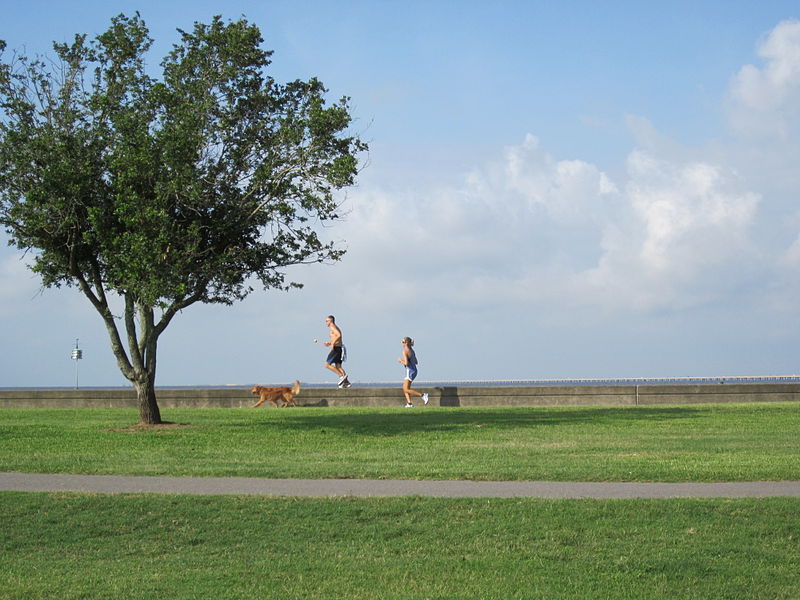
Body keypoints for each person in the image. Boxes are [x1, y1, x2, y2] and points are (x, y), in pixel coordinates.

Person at [318, 315, 350, 388]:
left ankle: (341, 376)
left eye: (327, 321)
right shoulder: (334, 327)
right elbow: (336, 338)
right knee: (338, 366)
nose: (325, 322)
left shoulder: (332, 327)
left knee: (327, 365)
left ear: (330, 321)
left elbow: (339, 335)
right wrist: (329, 343)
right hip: (339, 348)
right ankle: (346, 383)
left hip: (336, 349)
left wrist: (332, 344)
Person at [398, 336, 429, 407]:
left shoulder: (405, 351)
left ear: (406, 343)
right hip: (414, 370)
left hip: (410, 371)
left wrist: (400, 360)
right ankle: (409, 404)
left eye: (403, 342)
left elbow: (406, 363)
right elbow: (416, 362)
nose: (402, 343)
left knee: (406, 389)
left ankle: (423, 395)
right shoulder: (412, 350)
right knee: (405, 388)